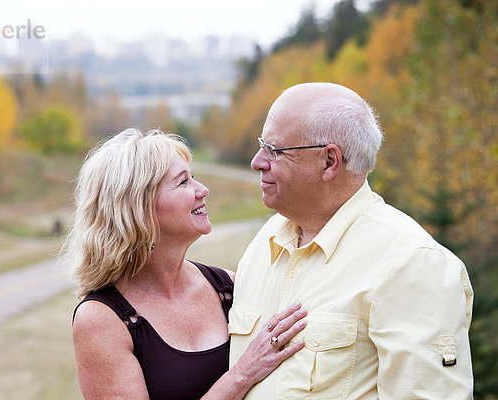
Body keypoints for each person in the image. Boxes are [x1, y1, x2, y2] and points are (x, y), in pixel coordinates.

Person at [229, 82, 474, 399]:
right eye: (262, 145)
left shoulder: (410, 262)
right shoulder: (265, 241)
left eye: (274, 150)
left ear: (330, 161)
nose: (257, 161)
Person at [63, 128, 308, 400]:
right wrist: (242, 375)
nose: (202, 190)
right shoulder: (101, 320)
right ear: (138, 208)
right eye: (183, 182)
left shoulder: (229, 287)